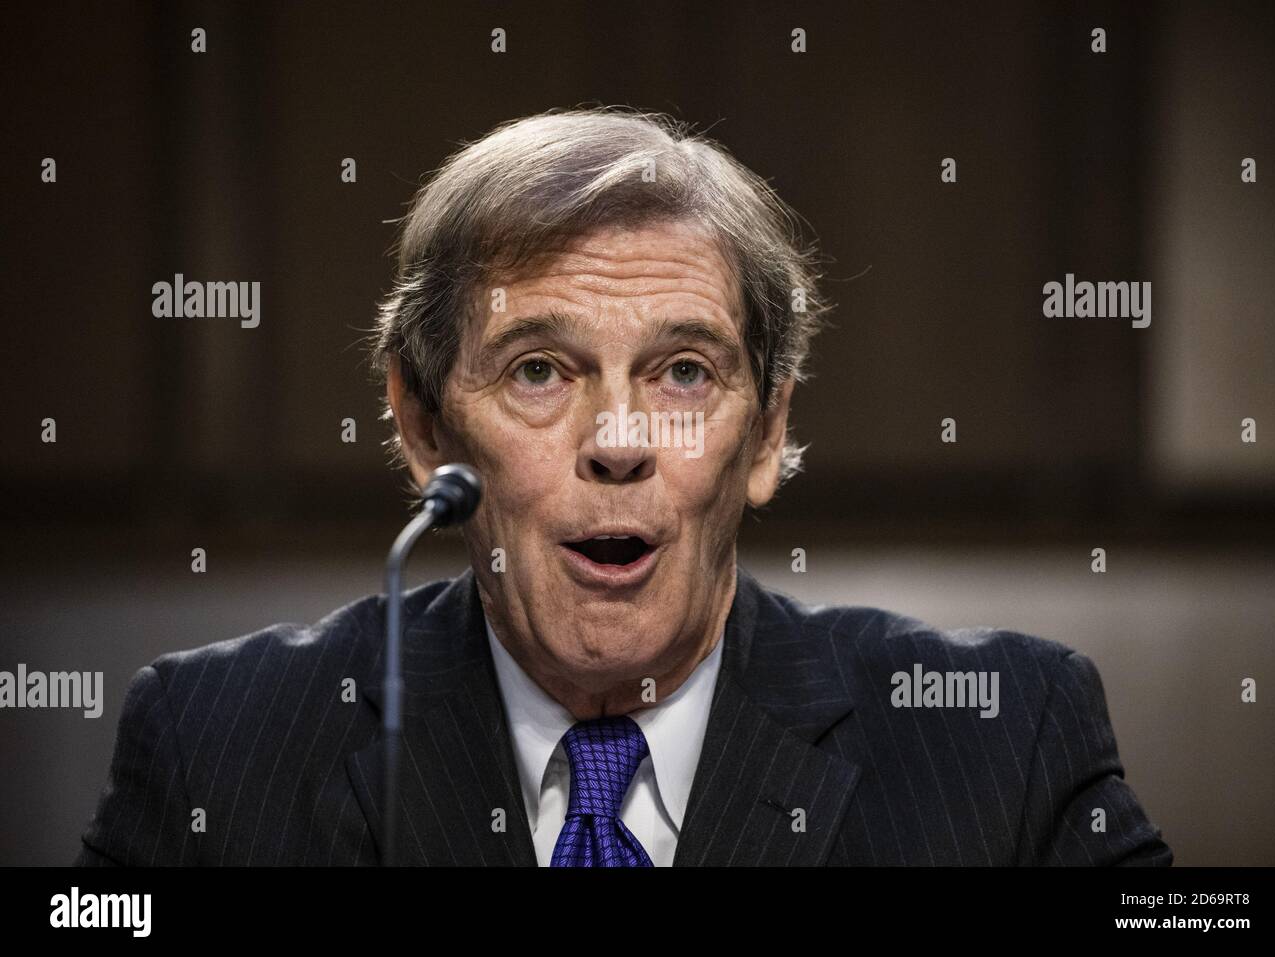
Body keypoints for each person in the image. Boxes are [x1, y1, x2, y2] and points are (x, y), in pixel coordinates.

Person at [75, 108, 1172, 866]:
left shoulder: (1001, 742)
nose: (618, 441)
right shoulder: (216, 747)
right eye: (539, 371)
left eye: (683, 372)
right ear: (422, 426)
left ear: (767, 433)